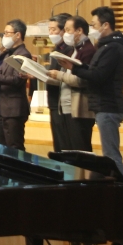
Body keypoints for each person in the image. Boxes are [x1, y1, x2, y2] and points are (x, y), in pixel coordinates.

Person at [57, 6, 123, 175]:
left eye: (94, 24)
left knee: (111, 154)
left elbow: (99, 75)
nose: (92, 28)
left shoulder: (113, 48)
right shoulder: (105, 46)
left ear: (105, 25)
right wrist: (76, 67)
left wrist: (75, 69)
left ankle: (121, 187)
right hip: (102, 105)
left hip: (109, 105)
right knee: (108, 153)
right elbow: (95, 70)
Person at [47, 15, 97, 152]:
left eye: (68, 30)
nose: (65, 34)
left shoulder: (87, 50)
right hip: (67, 106)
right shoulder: (75, 50)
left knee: (80, 149)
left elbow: (82, 80)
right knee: (68, 149)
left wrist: (59, 75)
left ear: (79, 31)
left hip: (79, 108)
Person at [0, 19, 31, 150]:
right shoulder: (9, 53)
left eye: (7, 33)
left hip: (15, 108)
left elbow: (17, 80)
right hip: (5, 107)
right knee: (7, 147)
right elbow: (0, 72)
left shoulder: (23, 54)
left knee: (15, 146)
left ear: (18, 35)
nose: (4, 36)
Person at [44, 14, 72, 152]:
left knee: (65, 142)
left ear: (63, 30)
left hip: (63, 101)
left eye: (54, 29)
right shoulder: (56, 49)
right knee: (58, 143)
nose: (51, 32)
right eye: (49, 29)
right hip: (54, 100)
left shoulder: (69, 50)